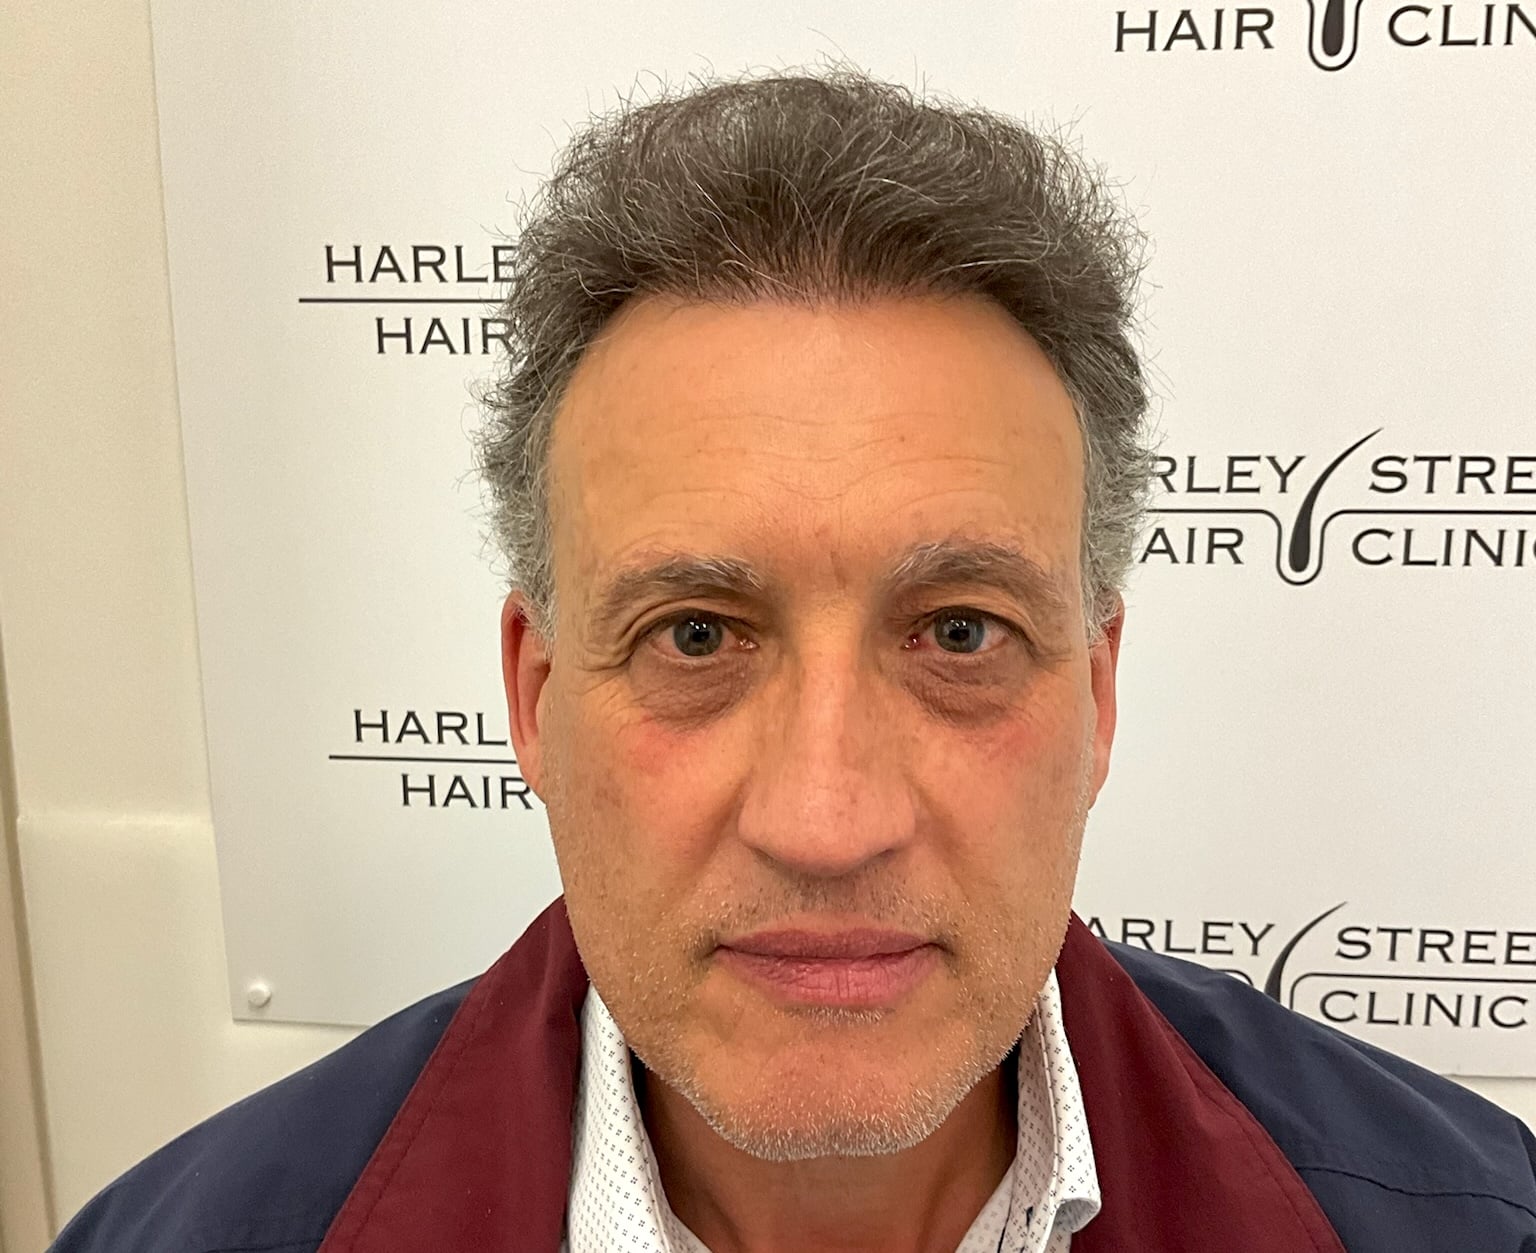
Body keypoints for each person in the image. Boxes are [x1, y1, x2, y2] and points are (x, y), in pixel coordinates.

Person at [53, 70, 1536, 1253]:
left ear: (1095, 692)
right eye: (695, 636)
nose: (828, 820)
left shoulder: (1465, 1220)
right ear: (537, 699)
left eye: (960, 633)